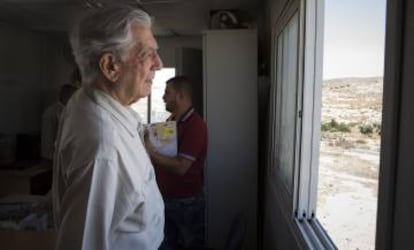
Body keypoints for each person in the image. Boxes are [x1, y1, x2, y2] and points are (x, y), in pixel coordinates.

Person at [52, 5, 164, 250]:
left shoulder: (86, 98)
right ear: (111, 66)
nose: (158, 64)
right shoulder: (104, 148)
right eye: (148, 54)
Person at [145, 76, 208, 249]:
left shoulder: (196, 125)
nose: (163, 97)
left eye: (167, 93)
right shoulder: (171, 122)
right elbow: (166, 153)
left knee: (192, 244)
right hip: (165, 197)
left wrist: (151, 153)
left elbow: (181, 167)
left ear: (180, 96)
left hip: (185, 202)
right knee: (164, 244)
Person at [41, 77, 79, 167]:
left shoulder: (71, 110)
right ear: (66, 95)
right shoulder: (51, 112)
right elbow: (48, 138)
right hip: (52, 157)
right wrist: (50, 158)